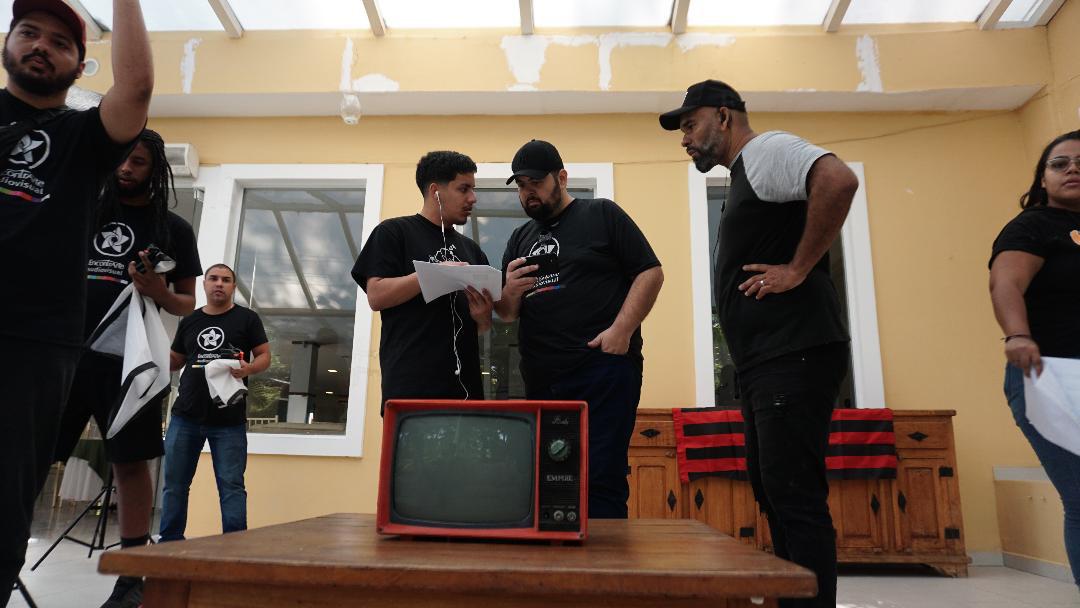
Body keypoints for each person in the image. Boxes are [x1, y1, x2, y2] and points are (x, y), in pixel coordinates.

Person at [660, 80, 858, 608]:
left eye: (691, 125)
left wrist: (798, 268)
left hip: (792, 350)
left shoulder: (766, 149)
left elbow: (838, 180)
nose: (685, 139)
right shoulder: (746, 174)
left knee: (793, 495)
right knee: (775, 490)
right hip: (766, 360)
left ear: (724, 117)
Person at [0, 0, 152, 602]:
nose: (41, 45)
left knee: (7, 494)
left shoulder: (83, 139)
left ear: (80, 65)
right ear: (7, 42)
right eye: (29, 32)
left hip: (33, 342)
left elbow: (135, 88)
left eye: (60, 42)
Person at [49, 129, 201, 607]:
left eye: (138, 162)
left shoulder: (173, 229)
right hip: (63, 351)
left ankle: (132, 576)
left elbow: (186, 303)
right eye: (122, 159)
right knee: (31, 454)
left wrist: (156, 290)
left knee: (131, 463)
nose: (125, 169)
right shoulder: (83, 209)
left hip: (127, 363)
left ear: (155, 171)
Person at [496, 139, 664, 519]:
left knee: (601, 479)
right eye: (521, 186)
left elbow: (650, 272)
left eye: (536, 183)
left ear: (562, 178)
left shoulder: (601, 214)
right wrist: (509, 291)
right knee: (551, 482)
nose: (528, 193)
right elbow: (506, 314)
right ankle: (557, 559)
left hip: (600, 371)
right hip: (542, 379)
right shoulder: (520, 238)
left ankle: (605, 560)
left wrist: (621, 330)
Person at [989, 130, 1080, 588]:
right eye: (1059, 163)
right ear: (1042, 179)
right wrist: (1018, 335)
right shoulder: (1033, 227)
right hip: (1050, 375)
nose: (1072, 169)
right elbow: (1006, 283)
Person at [351, 151, 494, 411]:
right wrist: (432, 274)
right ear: (435, 191)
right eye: (464, 189)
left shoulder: (472, 250)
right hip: (411, 394)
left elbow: (479, 328)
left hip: (467, 395)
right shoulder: (393, 232)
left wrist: (483, 318)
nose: (473, 198)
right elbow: (376, 295)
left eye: (473, 189)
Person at [158, 264, 270, 543]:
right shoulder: (190, 320)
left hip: (228, 420)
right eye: (214, 279)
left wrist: (250, 369)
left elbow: (265, 355)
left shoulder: (247, 319)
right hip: (185, 417)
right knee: (174, 486)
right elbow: (176, 361)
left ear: (233, 287)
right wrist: (150, 349)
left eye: (226, 280)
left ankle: (233, 547)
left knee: (232, 487)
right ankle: (169, 544)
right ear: (205, 284)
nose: (219, 283)